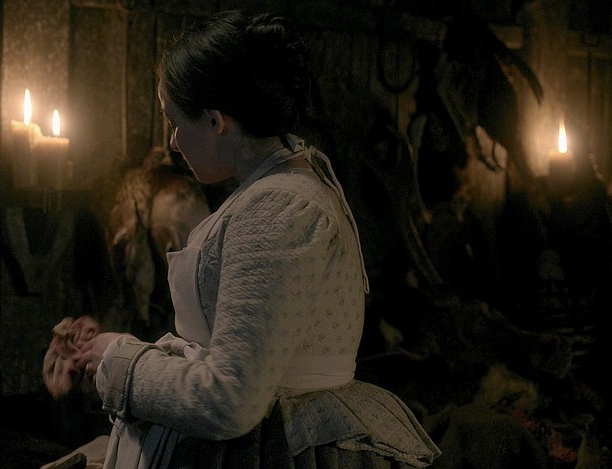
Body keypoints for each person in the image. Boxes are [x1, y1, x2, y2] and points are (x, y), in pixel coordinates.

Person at [43, 9, 441, 469]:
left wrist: (119, 363)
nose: (173, 142)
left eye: (175, 122)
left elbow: (230, 398)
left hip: (274, 448)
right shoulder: (281, 186)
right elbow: (235, 349)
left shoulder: (276, 209)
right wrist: (116, 352)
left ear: (216, 121)